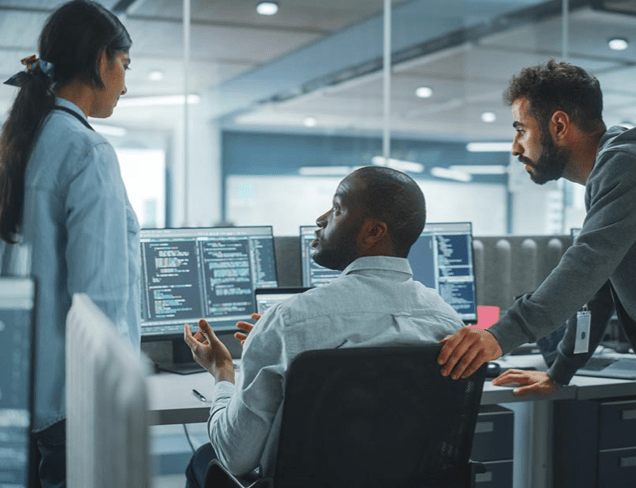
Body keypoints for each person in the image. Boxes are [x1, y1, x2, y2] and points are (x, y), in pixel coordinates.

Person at [182, 166, 465, 487]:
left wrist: (224, 373)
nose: (321, 218)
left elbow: (236, 455)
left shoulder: (288, 321)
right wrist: (267, 346)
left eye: (338, 208)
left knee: (205, 457)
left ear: (374, 231)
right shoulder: (450, 325)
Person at [0, 1, 139, 486]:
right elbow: (97, 304)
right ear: (102, 60)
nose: (126, 83)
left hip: (21, 394)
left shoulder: (21, 137)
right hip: (72, 405)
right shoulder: (87, 150)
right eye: (124, 65)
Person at [437, 59, 636, 396]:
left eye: (521, 130)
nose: (516, 147)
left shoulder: (624, 165)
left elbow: (587, 262)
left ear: (559, 125)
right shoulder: (613, 168)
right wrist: (560, 372)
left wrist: (499, 335)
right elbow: (599, 287)